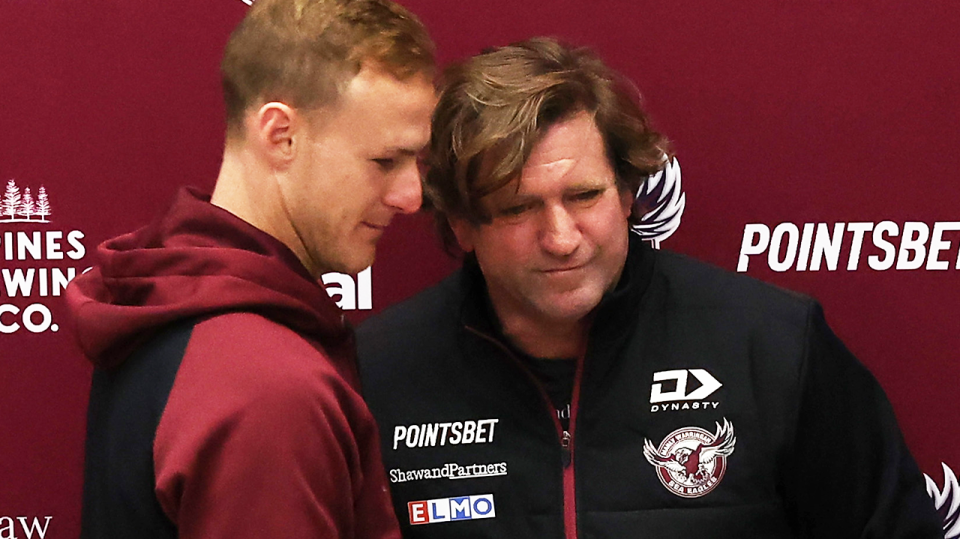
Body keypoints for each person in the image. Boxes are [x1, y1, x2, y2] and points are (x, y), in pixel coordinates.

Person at [356, 38, 944, 538]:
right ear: (463, 223)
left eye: (584, 196)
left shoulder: (773, 349)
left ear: (628, 193)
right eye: (518, 209)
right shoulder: (378, 376)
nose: (561, 238)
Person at [66, 1, 435, 537]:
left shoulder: (175, 307)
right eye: (385, 161)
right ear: (280, 134)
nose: (411, 196)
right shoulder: (267, 389)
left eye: (416, 162)